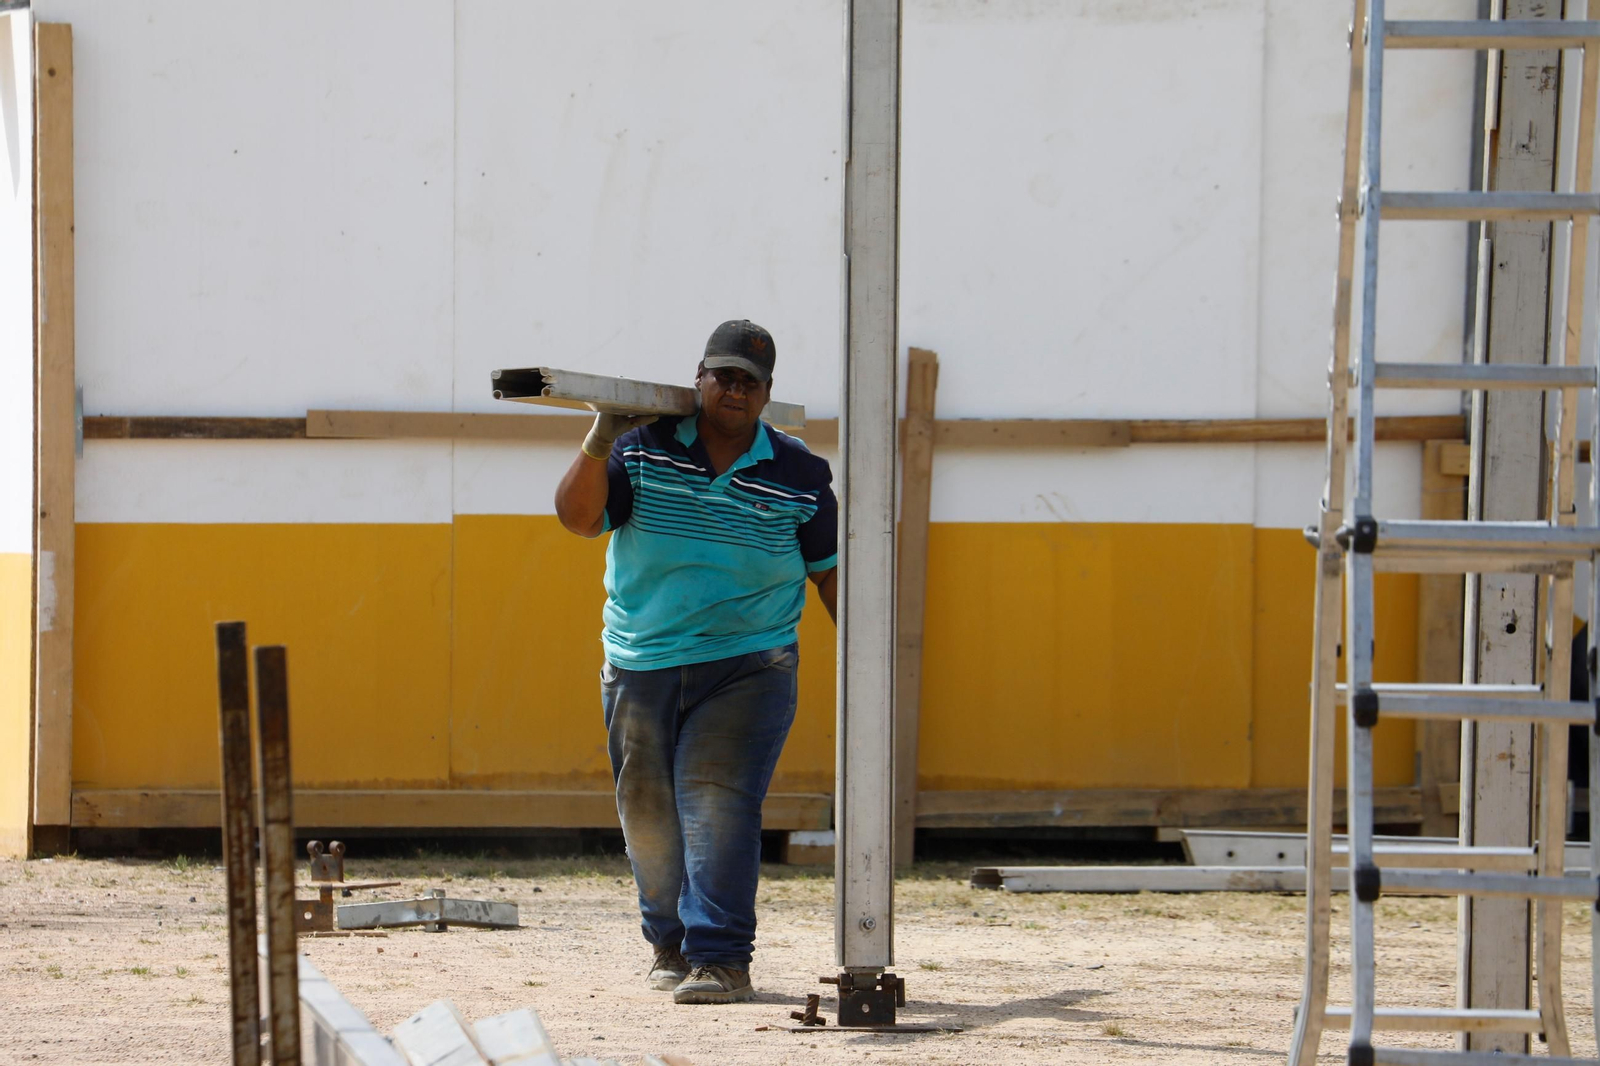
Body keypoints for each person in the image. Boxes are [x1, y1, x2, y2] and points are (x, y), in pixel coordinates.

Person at [553, 319, 838, 1005]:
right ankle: (671, 945)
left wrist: (868, 662)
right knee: (648, 816)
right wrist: (599, 437)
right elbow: (579, 519)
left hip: (749, 663)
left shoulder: (799, 473)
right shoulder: (641, 448)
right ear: (700, 379)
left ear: (767, 393)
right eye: (724, 376)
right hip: (641, 659)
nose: (735, 390)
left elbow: (831, 572)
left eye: (750, 382)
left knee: (716, 804)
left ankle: (722, 959)